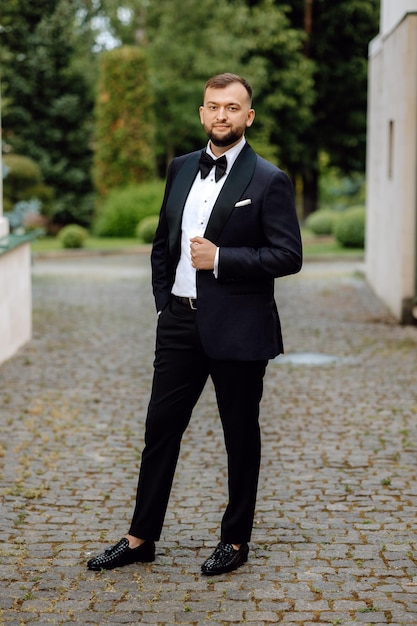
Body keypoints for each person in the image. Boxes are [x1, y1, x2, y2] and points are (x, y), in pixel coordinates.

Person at [87, 73, 302, 576]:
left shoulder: (269, 179)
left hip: (238, 329)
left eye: (232, 108)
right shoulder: (181, 168)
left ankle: (235, 541)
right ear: (202, 113)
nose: (221, 116)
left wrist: (222, 258)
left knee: (240, 436)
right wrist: (165, 300)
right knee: (160, 429)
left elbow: (288, 255)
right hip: (179, 323)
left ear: (248, 117)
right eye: (213, 107)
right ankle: (141, 537)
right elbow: (164, 240)